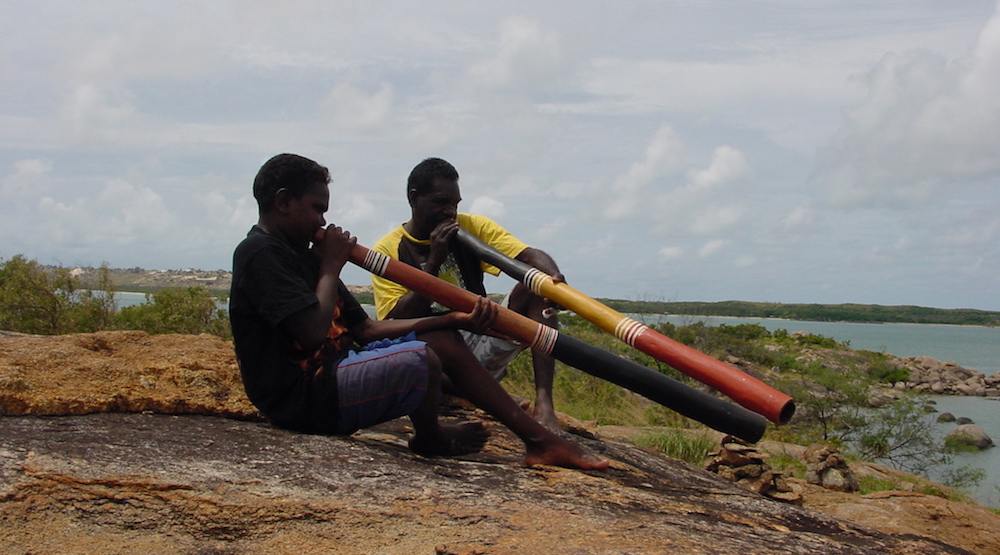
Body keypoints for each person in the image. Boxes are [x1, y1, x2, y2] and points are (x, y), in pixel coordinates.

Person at [229, 153, 607, 470]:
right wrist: (330, 267)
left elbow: (365, 329)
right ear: (283, 202)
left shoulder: (298, 254)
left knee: (436, 339)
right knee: (420, 360)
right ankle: (436, 438)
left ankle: (531, 437)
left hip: (333, 376)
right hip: (302, 399)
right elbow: (312, 334)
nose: (323, 222)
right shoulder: (261, 253)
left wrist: (451, 320)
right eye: (316, 210)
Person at [372, 157, 565, 431]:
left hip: (480, 342)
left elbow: (527, 255)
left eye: (455, 204)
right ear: (413, 198)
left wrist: (554, 278)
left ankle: (544, 405)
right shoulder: (388, 250)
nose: (449, 212)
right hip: (435, 354)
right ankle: (463, 391)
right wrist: (433, 263)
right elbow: (395, 323)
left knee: (533, 290)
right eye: (441, 203)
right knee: (435, 337)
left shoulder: (470, 227)